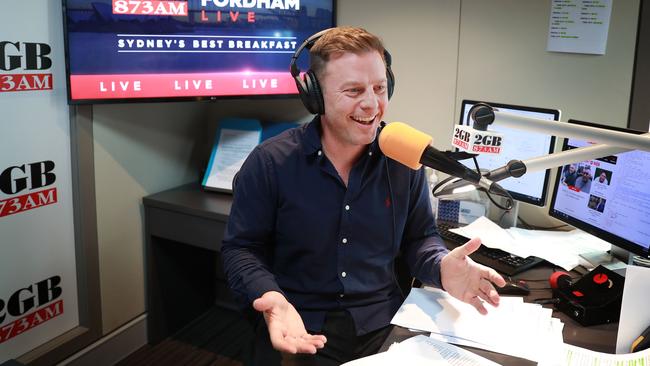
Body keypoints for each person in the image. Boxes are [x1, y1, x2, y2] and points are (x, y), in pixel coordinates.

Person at [221, 26, 506, 366]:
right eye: (354, 90)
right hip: (299, 322)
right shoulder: (270, 163)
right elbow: (241, 249)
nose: (372, 104)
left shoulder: (404, 160)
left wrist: (442, 267)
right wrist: (271, 298)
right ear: (315, 95)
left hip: (384, 325)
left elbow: (420, 238)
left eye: (380, 88)